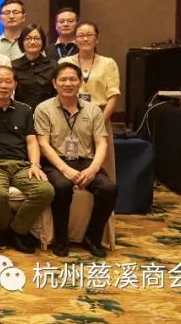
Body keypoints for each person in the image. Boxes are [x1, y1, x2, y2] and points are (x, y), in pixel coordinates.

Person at [35, 62, 117, 258]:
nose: (68, 83)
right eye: (62, 79)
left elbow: (102, 143)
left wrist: (93, 170)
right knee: (62, 187)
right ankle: (61, 239)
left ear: (80, 82)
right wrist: (65, 170)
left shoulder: (93, 110)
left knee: (109, 189)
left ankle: (92, 238)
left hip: (85, 161)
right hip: (56, 162)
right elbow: (43, 144)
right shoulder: (43, 109)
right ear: (54, 83)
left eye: (72, 79)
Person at [0, 65, 54, 254]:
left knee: (45, 191)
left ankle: (15, 230)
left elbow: (32, 141)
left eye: (8, 81)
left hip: (22, 165)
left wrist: (35, 164)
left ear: (15, 84)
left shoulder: (25, 110)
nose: (3, 86)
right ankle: (13, 232)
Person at [60, 22, 121, 127]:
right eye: (81, 35)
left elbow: (113, 95)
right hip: (69, 118)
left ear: (97, 39)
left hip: (100, 117)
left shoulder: (108, 63)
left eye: (89, 35)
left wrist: (100, 123)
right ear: (75, 40)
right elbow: (58, 93)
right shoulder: (64, 62)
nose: (85, 39)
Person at [13, 24, 58, 108]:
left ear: (43, 41)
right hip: (20, 113)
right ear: (21, 42)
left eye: (37, 38)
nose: (33, 42)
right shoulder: (13, 66)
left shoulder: (53, 65)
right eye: (28, 38)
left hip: (46, 112)